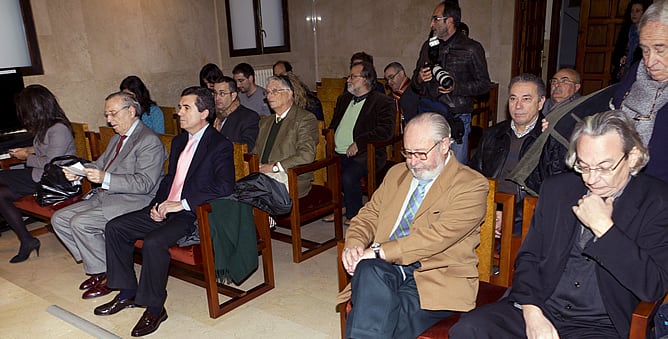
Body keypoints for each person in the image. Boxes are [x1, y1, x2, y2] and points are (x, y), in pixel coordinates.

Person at [450, 110, 668, 339]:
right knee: (469, 329)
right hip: (541, 307)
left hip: (602, 325)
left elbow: (653, 285)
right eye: (583, 165)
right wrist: (532, 314)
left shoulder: (657, 201)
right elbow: (529, 258)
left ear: (632, 157)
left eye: (604, 167)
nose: (591, 179)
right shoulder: (558, 189)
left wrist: (605, 229)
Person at [94, 87, 235, 337]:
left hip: (192, 213)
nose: (178, 113)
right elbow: (169, 180)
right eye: (179, 107)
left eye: (185, 108)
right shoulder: (180, 140)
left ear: (204, 112)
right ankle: (127, 292)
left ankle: (155, 307)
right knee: (115, 227)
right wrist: (157, 206)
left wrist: (182, 204)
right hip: (167, 208)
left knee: (154, 242)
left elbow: (225, 186)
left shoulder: (219, 144)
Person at [338, 112, 489, 338]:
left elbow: (436, 238)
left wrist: (378, 251)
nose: (412, 162)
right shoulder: (397, 173)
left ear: (445, 145)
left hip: (436, 275)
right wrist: (355, 244)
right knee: (370, 275)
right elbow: (369, 214)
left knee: (374, 316)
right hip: (385, 266)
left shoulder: (471, 185)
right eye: (408, 153)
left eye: (420, 154)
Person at [51, 91, 166, 299]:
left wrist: (105, 177)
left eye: (113, 113)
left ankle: (109, 275)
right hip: (106, 195)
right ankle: (99, 267)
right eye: (107, 115)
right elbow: (100, 164)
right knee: (59, 219)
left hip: (134, 201)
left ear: (131, 111)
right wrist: (79, 172)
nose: (109, 120)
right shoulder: (117, 139)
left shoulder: (149, 141)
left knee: (80, 223)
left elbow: (145, 183)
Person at [0, 84, 75, 263]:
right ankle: (27, 240)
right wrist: (28, 149)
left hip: (55, 180)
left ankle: (27, 240)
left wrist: (26, 157)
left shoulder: (59, 129)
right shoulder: (48, 126)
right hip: (41, 175)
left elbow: (51, 162)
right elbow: (45, 148)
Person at [412, 0, 491, 164]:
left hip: (457, 117)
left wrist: (456, 87)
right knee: (429, 167)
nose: (431, 23)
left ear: (450, 21)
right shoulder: (428, 46)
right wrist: (420, 78)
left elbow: (484, 86)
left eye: (436, 19)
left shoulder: (472, 48)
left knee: (455, 171)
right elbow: (414, 82)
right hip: (431, 116)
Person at [470, 73, 545, 233]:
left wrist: (509, 216)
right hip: (488, 208)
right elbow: (474, 176)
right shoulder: (492, 134)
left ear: (540, 103)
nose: (517, 106)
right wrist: (488, 211)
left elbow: (549, 194)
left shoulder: (548, 139)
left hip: (525, 216)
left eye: (526, 99)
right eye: (513, 99)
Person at [328, 61, 395, 223]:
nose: (348, 80)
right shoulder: (344, 99)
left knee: (349, 176)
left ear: (366, 78)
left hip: (367, 153)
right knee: (330, 173)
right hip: (339, 152)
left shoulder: (382, 101)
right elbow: (334, 124)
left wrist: (359, 142)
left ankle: (355, 214)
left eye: (353, 76)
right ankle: (343, 205)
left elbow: (385, 131)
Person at [252, 75, 318, 197]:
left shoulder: (304, 119)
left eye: (274, 91)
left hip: (291, 177)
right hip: (263, 176)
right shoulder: (265, 122)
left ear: (289, 93)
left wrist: (275, 167)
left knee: (257, 195)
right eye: (267, 92)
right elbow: (255, 152)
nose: (269, 96)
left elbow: (307, 155)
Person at [211, 75, 259, 150]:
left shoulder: (248, 117)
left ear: (233, 96)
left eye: (222, 93)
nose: (217, 98)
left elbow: (247, 147)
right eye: (215, 93)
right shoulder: (215, 117)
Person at [611, 0, 650, 83]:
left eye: (637, 11)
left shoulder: (648, 32)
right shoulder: (626, 30)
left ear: (644, 13)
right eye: (632, 11)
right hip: (622, 74)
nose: (634, 14)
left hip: (638, 76)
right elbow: (615, 55)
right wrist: (620, 58)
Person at [384, 61, 420, 126]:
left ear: (401, 73)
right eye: (387, 80)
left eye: (391, 77)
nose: (389, 82)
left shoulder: (417, 91)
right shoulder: (389, 98)